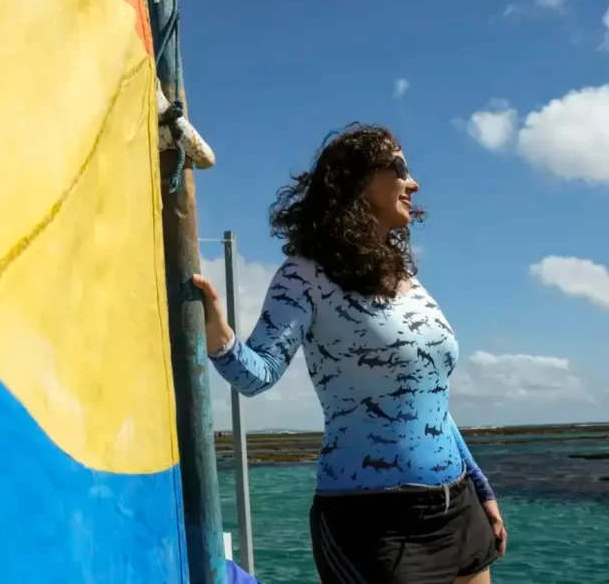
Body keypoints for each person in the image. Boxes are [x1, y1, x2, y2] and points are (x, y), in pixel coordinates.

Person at [193, 124, 507, 584]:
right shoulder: (304, 276)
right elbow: (255, 376)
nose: (413, 183)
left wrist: (482, 489)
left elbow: (430, 402)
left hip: (457, 506)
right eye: (399, 168)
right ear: (356, 181)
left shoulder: (411, 283)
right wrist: (217, 332)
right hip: (373, 520)